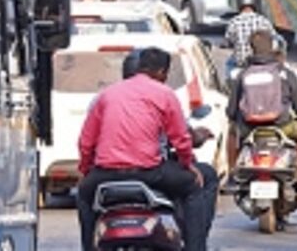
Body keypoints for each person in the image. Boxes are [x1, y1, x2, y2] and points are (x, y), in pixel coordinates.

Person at [76, 47, 209, 251]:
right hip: (149, 172)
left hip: (105, 174)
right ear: (162, 72)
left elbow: (86, 142)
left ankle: (88, 247)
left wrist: (85, 171)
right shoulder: (164, 94)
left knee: (84, 196)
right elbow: (181, 138)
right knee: (194, 189)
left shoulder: (106, 95)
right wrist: (188, 163)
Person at [225, 29, 297, 198]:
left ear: (252, 49)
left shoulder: (243, 74)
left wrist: (238, 121)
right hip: (282, 126)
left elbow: (231, 111)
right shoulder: (284, 73)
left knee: (231, 131)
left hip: (249, 128)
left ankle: (231, 176)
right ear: (273, 48)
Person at [223, 0, 280, 69]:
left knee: (228, 64)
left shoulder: (234, 22)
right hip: (263, 62)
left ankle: (228, 81)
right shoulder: (263, 20)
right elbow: (274, 38)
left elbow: (228, 40)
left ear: (239, 5)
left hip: (242, 64)